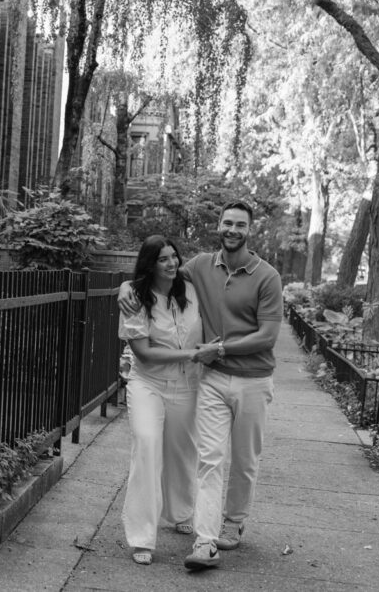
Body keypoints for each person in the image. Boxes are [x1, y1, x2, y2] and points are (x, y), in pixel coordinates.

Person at [119, 201, 283, 571]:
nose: (232, 229)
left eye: (240, 224)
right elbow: (153, 281)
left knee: (230, 459)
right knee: (197, 457)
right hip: (188, 380)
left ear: (249, 229)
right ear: (219, 225)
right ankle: (190, 539)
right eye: (227, 222)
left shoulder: (260, 277)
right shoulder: (199, 268)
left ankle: (219, 518)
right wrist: (124, 286)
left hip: (245, 379)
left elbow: (268, 335)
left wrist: (218, 349)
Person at [118, 235, 207, 566]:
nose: (171, 263)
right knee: (147, 444)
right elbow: (143, 353)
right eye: (162, 259)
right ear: (149, 264)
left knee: (183, 450)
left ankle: (181, 511)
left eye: (174, 257)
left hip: (187, 386)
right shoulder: (135, 300)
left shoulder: (192, 290)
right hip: (148, 384)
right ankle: (142, 536)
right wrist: (193, 354)